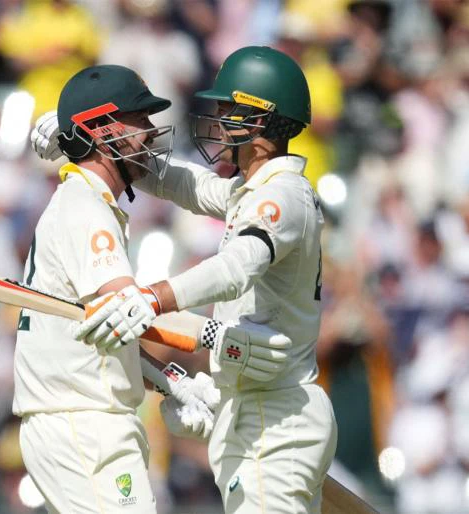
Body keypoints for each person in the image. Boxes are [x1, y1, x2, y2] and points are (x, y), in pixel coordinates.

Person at [67, 47, 338, 513]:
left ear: (261, 122)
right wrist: (79, 140)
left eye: (230, 112)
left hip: (276, 417)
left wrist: (154, 298)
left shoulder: (281, 197)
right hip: (262, 408)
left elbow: (236, 268)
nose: (220, 124)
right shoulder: (253, 192)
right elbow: (179, 183)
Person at [17, 63, 291, 513]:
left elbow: (118, 327)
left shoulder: (85, 201)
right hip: (83, 422)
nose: (149, 130)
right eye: (140, 119)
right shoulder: (87, 210)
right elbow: (134, 308)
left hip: (82, 419)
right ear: (103, 130)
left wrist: (174, 382)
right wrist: (218, 338)